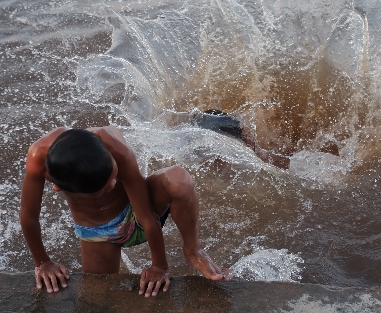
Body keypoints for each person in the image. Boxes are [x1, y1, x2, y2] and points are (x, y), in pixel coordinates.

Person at [19, 125, 231, 298]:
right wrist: (43, 262)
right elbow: (29, 216)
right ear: (58, 186)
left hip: (137, 215)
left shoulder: (114, 147)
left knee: (178, 179)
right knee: (96, 300)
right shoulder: (38, 158)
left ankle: (193, 251)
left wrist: (159, 265)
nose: (113, 184)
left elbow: (147, 216)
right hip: (97, 234)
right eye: (104, 187)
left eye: (115, 175)